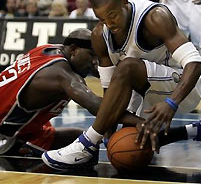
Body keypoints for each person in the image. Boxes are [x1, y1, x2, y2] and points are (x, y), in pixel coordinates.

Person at [42, 0, 201, 170]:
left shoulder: (155, 17)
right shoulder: (100, 35)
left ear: (124, 3)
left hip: (184, 87)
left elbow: (196, 64)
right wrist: (109, 129)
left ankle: (86, 144)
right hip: (145, 90)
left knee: (127, 66)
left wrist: (171, 103)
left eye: (112, 15)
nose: (109, 24)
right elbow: (110, 92)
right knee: (131, 144)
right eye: (102, 19)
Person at [0, 28, 140, 159]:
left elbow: (102, 73)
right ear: (73, 50)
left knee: (86, 140)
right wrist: (140, 122)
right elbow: (95, 104)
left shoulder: (50, 50)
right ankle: (25, 149)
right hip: (5, 134)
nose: (95, 62)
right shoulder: (61, 74)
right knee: (85, 148)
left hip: (23, 126)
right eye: (92, 55)